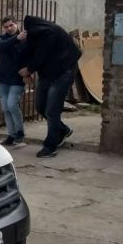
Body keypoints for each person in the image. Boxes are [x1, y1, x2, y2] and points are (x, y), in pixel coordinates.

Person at [19, 15, 81, 158]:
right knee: (41, 107)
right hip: (47, 74)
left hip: (64, 72)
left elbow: (41, 54)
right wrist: (28, 68)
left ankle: (50, 146)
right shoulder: (35, 36)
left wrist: (29, 70)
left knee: (52, 110)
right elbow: (30, 53)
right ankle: (63, 130)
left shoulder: (51, 33)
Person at [0, 16, 27, 146]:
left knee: (12, 104)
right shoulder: (0, 38)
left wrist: (28, 72)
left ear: (16, 24)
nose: (9, 28)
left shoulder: (25, 40)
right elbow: (1, 46)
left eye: (11, 25)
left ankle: (20, 132)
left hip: (17, 78)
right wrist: (16, 38)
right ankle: (11, 135)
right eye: (6, 27)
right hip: (3, 79)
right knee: (6, 108)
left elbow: (29, 56)